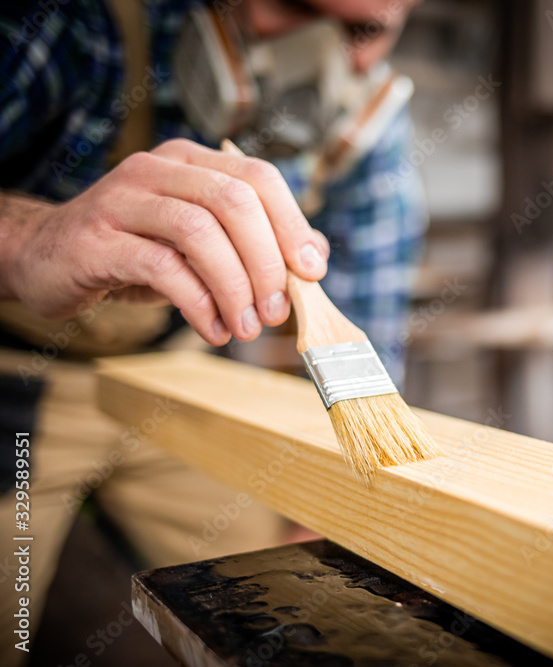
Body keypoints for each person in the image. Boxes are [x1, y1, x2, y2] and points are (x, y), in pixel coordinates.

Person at [0, 0, 425, 661]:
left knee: (285, 621)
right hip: (16, 372)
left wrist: (329, 513)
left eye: (366, 29)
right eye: (296, 10)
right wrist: (29, 239)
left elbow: (367, 306)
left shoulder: (360, 126)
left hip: (177, 369)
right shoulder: (66, 26)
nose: (329, 56)